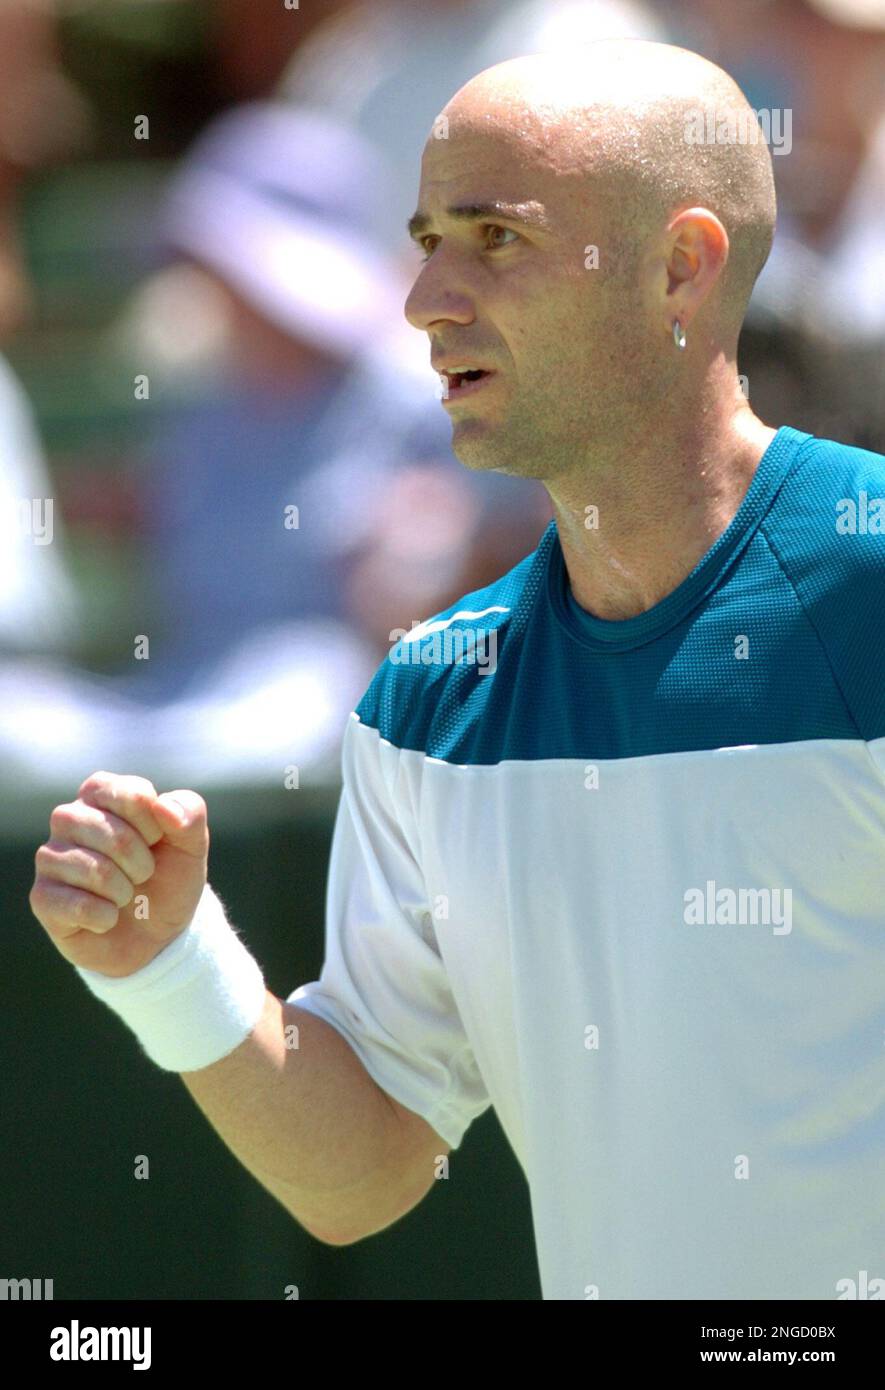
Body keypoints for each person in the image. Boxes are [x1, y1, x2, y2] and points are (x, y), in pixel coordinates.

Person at [29, 40, 885, 1300]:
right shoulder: (433, 698)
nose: (425, 296)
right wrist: (169, 965)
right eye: (427, 238)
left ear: (680, 268)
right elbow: (361, 1170)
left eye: (495, 240)